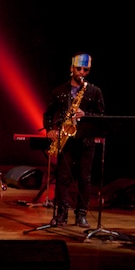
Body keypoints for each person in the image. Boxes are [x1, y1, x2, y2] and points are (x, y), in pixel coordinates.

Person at [43, 53, 105, 228]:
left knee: (84, 178)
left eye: (86, 70)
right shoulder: (59, 91)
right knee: (62, 178)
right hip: (66, 140)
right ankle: (61, 213)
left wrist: (86, 115)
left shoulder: (95, 91)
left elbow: (101, 116)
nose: (82, 72)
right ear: (71, 68)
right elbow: (48, 114)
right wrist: (50, 129)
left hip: (86, 140)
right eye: (79, 69)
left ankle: (81, 214)